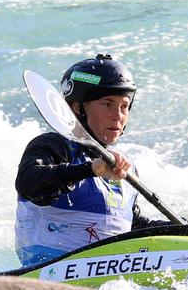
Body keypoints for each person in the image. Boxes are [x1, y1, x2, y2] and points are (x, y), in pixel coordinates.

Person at [14, 54, 174, 266]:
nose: (117, 115)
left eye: (124, 106)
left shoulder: (125, 164)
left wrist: (185, 231)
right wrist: (90, 169)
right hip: (48, 270)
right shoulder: (53, 146)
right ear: (77, 108)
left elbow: (129, 226)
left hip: (108, 271)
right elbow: (29, 184)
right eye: (107, 104)